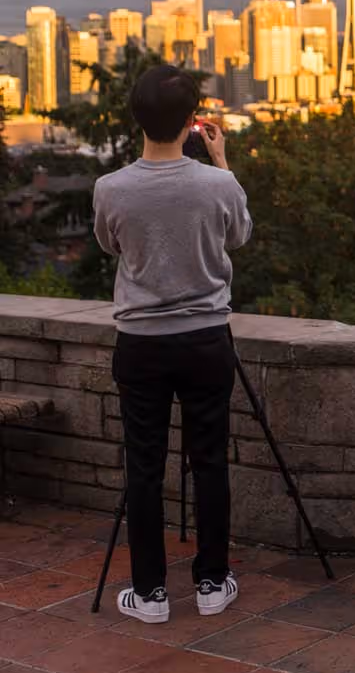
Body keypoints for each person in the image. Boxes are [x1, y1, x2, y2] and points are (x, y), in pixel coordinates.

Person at [94, 64, 252, 625]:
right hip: (206, 338)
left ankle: (150, 593)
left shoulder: (110, 188)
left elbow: (111, 244)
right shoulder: (218, 184)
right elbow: (239, 235)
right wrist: (221, 162)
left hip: (141, 342)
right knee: (209, 461)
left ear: (136, 118)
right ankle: (211, 582)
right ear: (191, 122)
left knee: (144, 466)